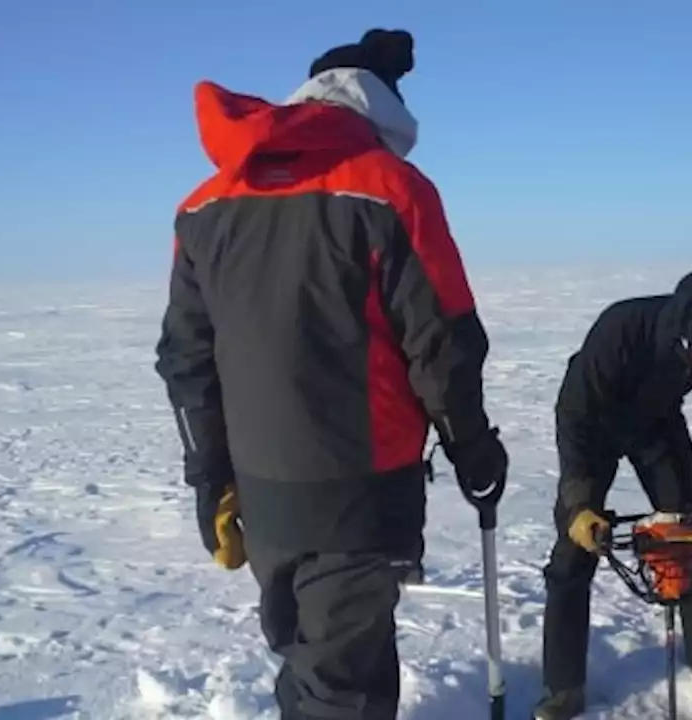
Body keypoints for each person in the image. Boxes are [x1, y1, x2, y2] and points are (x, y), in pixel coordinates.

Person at [153, 28, 508, 720]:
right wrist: (472, 448)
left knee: (317, 661)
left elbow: (186, 360)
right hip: (361, 493)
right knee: (342, 689)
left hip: (264, 500)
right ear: (380, 110)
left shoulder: (204, 206)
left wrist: (211, 479)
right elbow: (443, 343)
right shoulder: (392, 190)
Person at [533, 267, 692, 719]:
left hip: (656, 424)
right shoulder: (621, 328)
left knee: (691, 536)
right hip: (593, 424)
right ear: (681, 335)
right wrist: (579, 504)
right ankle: (563, 687)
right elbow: (575, 414)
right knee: (574, 551)